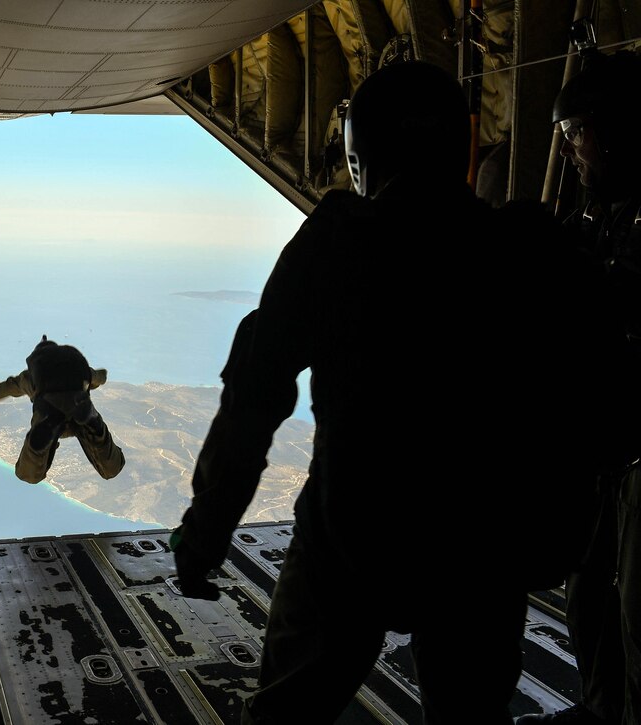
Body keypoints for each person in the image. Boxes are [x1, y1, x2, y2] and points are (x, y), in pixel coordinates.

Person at [170, 60, 639, 724]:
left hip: (349, 534)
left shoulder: (337, 239)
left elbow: (254, 394)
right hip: (480, 549)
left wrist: (206, 531)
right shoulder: (528, 248)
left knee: (286, 712)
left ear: (364, 156)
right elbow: (605, 395)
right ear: (460, 149)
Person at [517, 50, 641, 725]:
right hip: (605, 454)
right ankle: (602, 707)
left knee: (635, 606)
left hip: (633, 453)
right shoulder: (600, 218)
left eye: (576, 136)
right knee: (590, 594)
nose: (568, 153)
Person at [0, 335, 125, 484]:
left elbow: (6, 388)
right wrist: (96, 381)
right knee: (112, 469)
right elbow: (101, 376)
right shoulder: (77, 367)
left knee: (27, 475)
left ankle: (38, 445)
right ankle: (94, 424)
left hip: (49, 413)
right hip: (79, 409)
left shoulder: (30, 377)